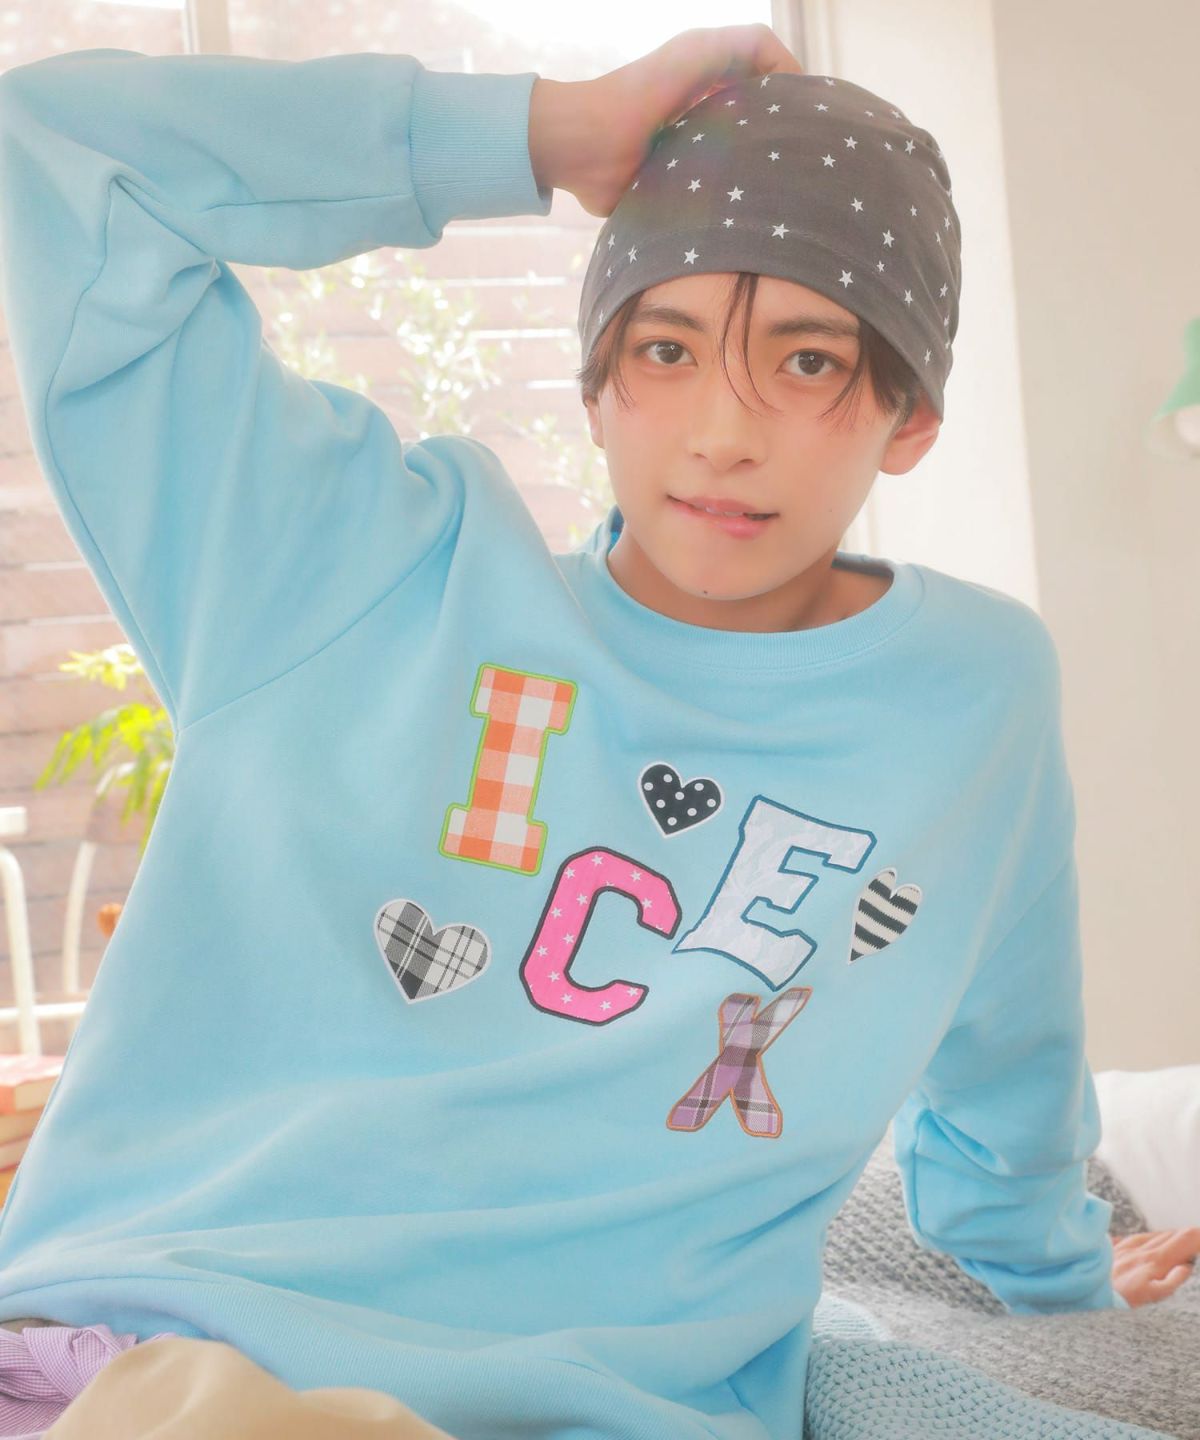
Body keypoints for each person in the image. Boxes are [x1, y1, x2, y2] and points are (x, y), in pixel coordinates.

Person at [0, 21, 1192, 1439]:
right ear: (594, 384)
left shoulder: (969, 695)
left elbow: (1008, 1084)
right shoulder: (347, 570)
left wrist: (1065, 1297)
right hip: (171, 1358)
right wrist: (541, 133)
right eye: (667, 349)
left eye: (808, 362)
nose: (721, 433)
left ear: (910, 416)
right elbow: (61, 149)